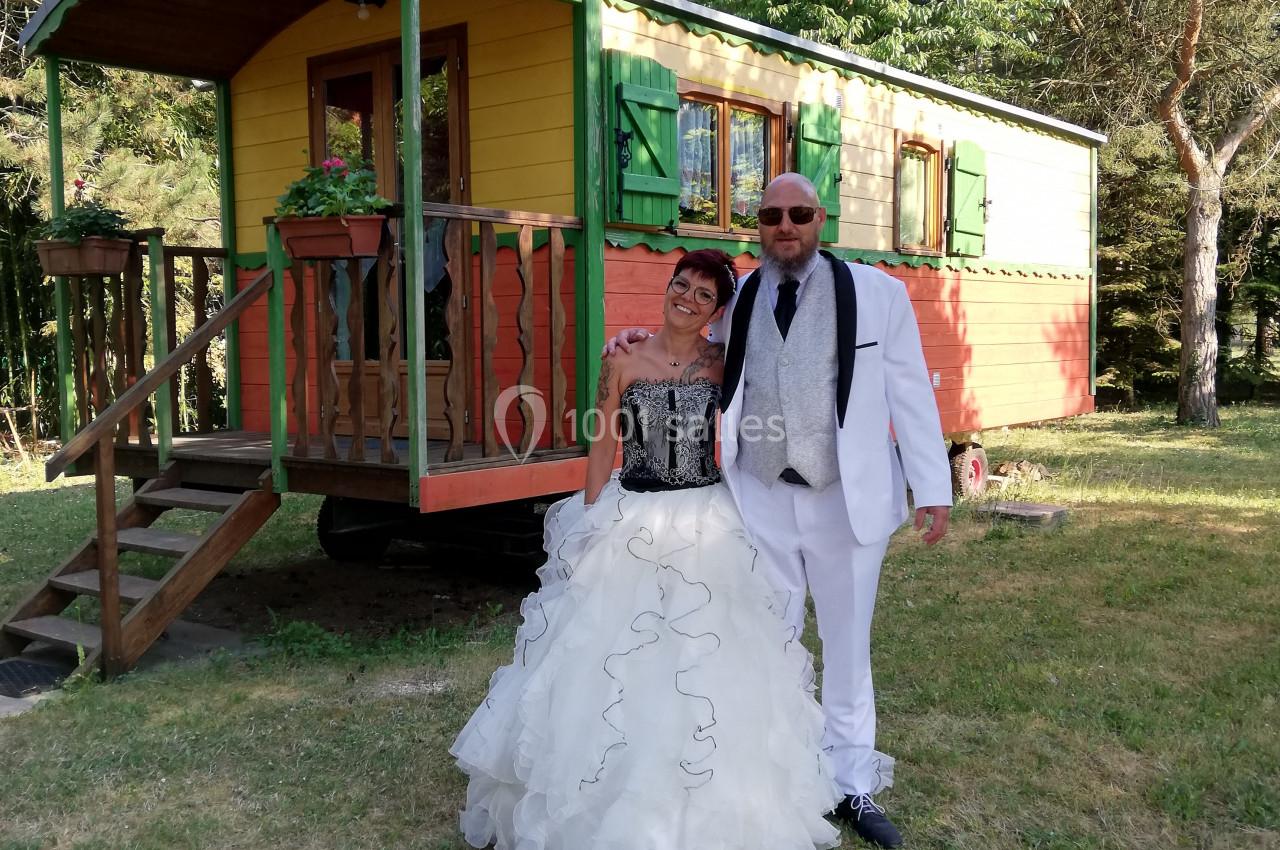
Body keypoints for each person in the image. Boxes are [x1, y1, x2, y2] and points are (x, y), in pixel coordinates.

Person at [451, 248, 843, 850]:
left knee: (705, 652)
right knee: (604, 650)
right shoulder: (624, 358)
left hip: (706, 518)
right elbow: (604, 443)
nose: (687, 298)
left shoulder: (724, 363)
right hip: (631, 511)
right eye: (680, 284)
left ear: (717, 310)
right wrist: (586, 516)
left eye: (703, 294)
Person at [606, 173, 952, 848]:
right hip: (760, 496)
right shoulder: (741, 300)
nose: (784, 225)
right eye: (770, 215)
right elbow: (695, 346)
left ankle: (853, 785)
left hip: (845, 498)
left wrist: (931, 486)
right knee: (770, 643)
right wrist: (636, 341)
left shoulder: (879, 294)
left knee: (848, 649)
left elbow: (909, 390)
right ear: (757, 225)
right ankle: (782, 775)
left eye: (798, 213)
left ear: (821, 218)